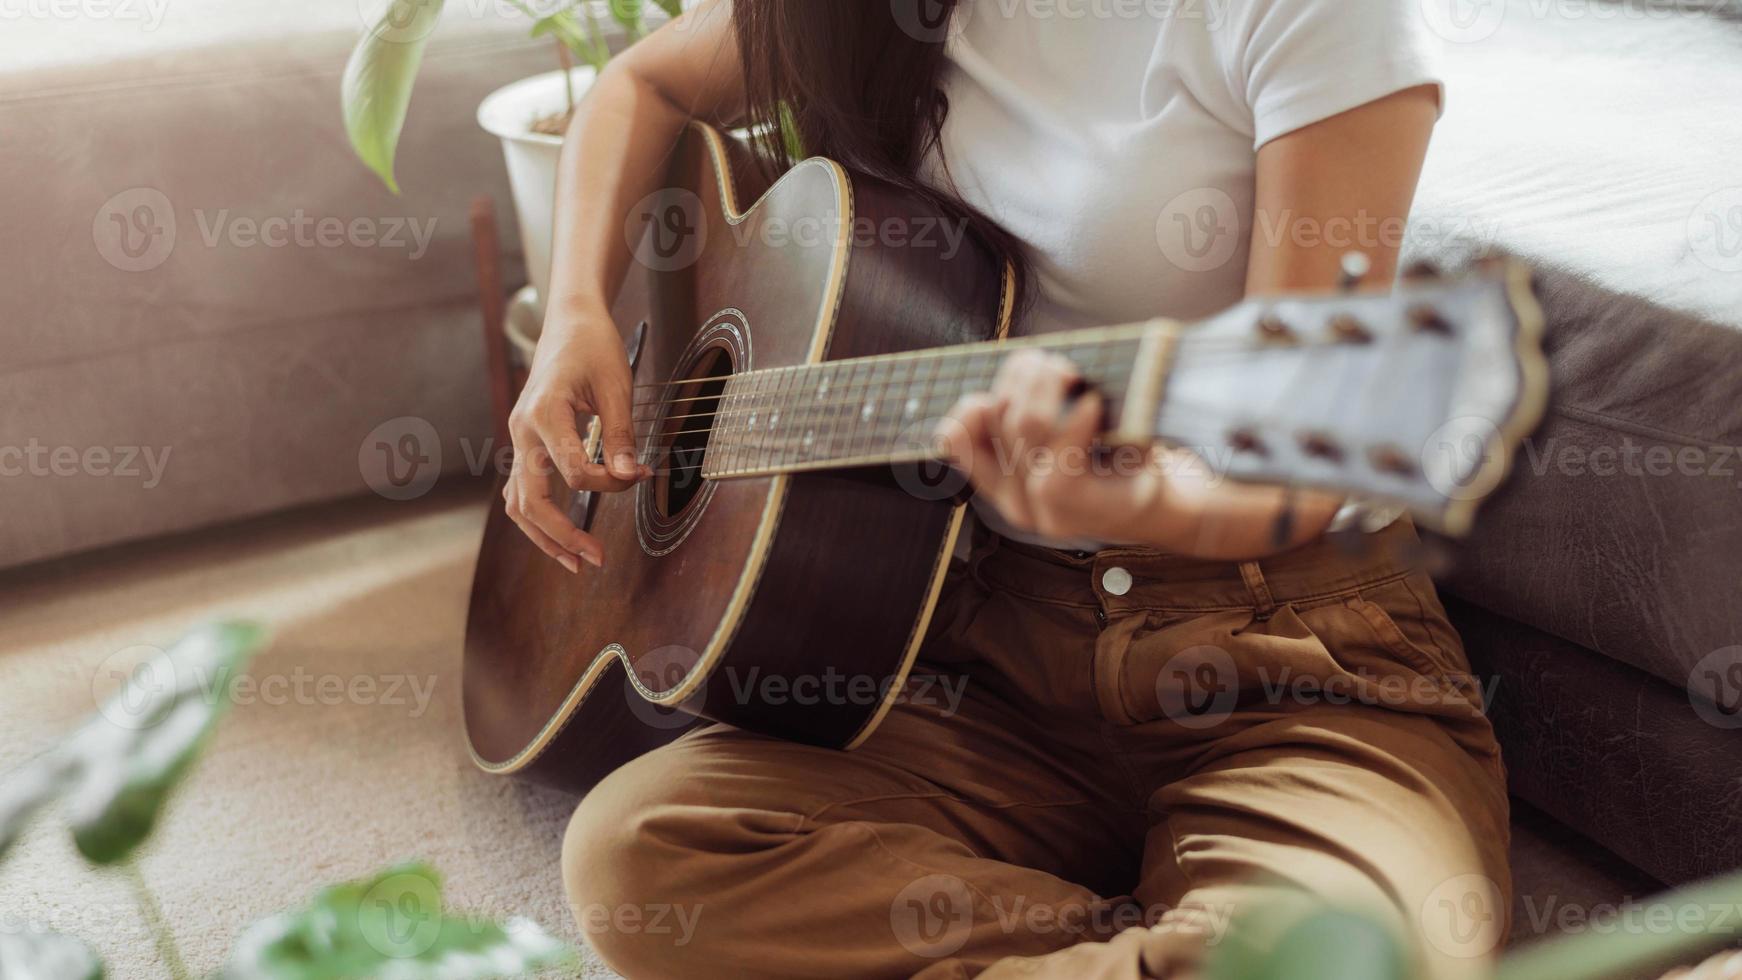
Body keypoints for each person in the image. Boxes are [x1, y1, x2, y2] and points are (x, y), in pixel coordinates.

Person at [504, 2, 1511, 976]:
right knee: (640, 851)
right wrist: (573, 313)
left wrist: (1129, 502)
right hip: (982, 651)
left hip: (1283, 655)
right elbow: (642, 81)